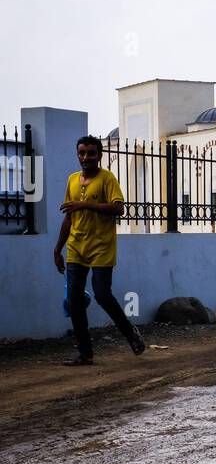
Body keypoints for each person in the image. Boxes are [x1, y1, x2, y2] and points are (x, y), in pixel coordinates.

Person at [54, 135, 145, 366]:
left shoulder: (107, 178)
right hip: (76, 246)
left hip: (101, 246)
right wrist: (57, 249)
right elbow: (69, 217)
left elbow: (118, 208)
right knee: (74, 300)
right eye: (82, 153)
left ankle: (130, 333)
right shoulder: (72, 180)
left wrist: (85, 204)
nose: (86, 158)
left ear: (99, 155)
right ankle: (85, 353)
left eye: (91, 153)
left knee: (102, 294)